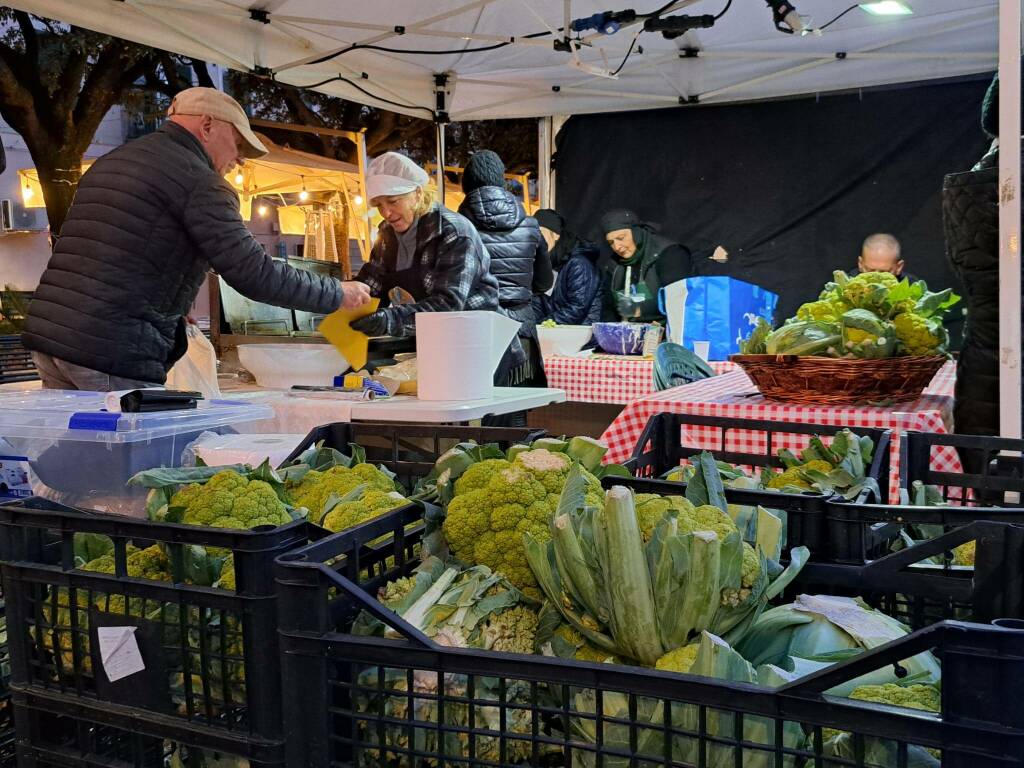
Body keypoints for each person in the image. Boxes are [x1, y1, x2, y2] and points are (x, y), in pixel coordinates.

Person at [22, 87, 370, 391]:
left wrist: (173, 301)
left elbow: (113, 249)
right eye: (237, 146)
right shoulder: (200, 181)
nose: (237, 161)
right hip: (112, 349)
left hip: (54, 340)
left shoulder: (111, 162)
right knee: (128, 462)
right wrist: (337, 293)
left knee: (74, 458)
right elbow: (254, 273)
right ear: (207, 126)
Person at [349, 152, 520, 370]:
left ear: (418, 193)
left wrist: (389, 320)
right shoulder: (387, 236)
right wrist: (345, 302)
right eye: (379, 205)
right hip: (438, 346)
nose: (386, 212)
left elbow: (447, 306)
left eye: (392, 201)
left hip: (481, 348)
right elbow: (371, 286)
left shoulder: (453, 232)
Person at [457, 150, 551, 385]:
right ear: (501, 181)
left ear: (465, 184)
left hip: (473, 331)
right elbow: (544, 282)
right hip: (522, 329)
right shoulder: (531, 226)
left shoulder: (456, 227)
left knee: (475, 412)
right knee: (517, 409)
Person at [599, 209, 693, 322]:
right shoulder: (614, 264)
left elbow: (679, 299)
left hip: (668, 331)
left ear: (636, 232)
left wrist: (639, 309)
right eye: (611, 242)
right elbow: (608, 308)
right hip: (630, 333)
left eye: (621, 238)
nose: (617, 247)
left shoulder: (670, 254)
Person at [531, 209, 602, 325]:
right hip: (557, 334)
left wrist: (543, 324)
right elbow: (538, 302)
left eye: (540, 233)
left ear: (556, 235)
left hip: (582, 337)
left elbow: (578, 308)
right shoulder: (544, 263)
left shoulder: (579, 263)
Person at [852, 233, 918, 282]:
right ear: (860, 264)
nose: (877, 279)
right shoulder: (846, 284)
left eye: (884, 272)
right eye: (871, 271)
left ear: (899, 267)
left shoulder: (912, 287)